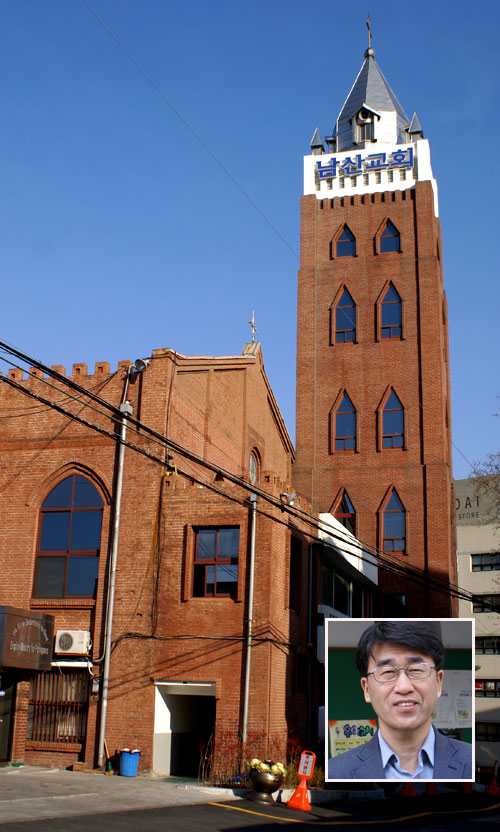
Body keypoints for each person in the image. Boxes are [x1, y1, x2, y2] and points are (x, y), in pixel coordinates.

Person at [327, 621, 472, 780]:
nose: (403, 687)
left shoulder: (471, 762)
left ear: (438, 683)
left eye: (416, 670)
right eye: (388, 672)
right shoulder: (335, 772)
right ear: (367, 689)